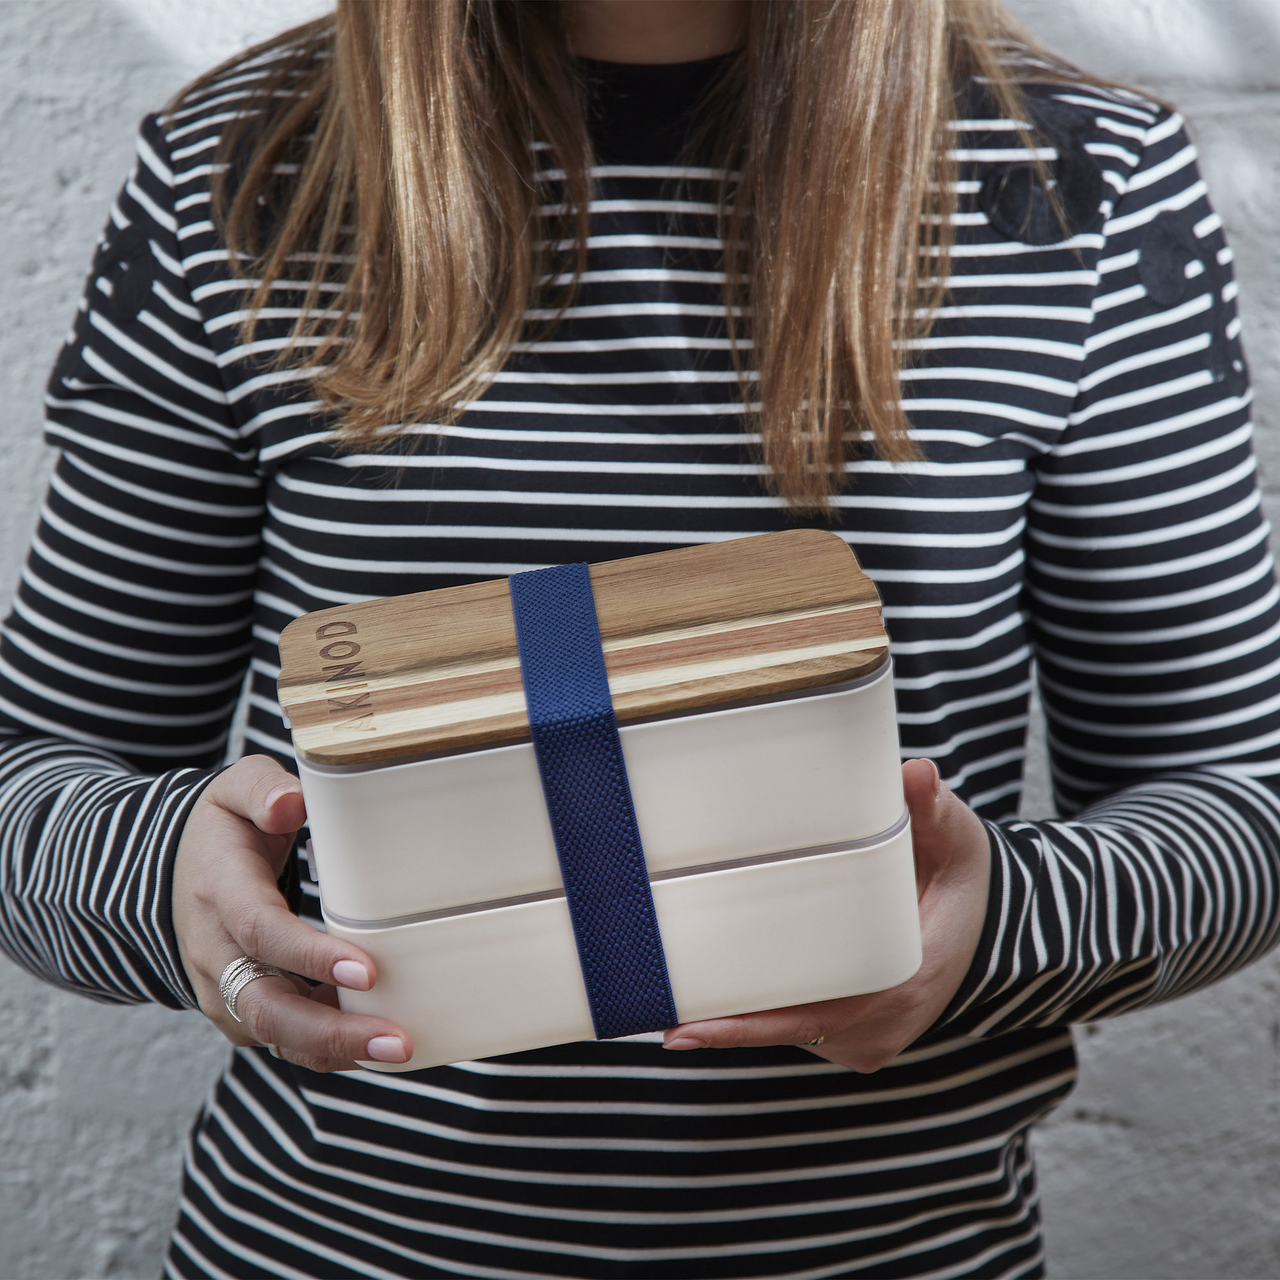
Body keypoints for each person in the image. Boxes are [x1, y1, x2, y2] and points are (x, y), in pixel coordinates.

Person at [1, 0, 1277, 1275]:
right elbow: (31, 774)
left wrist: (999, 922)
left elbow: (1239, 804)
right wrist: (171, 881)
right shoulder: (242, 167)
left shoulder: (1075, 182)